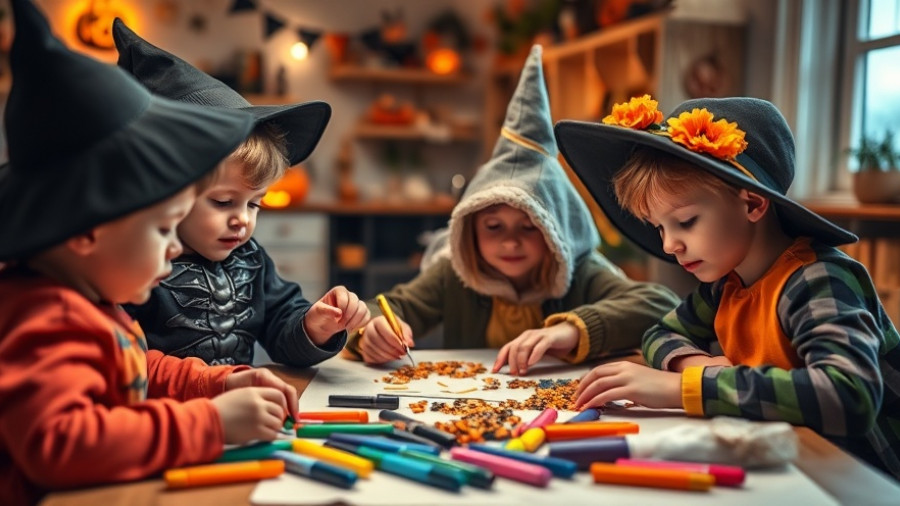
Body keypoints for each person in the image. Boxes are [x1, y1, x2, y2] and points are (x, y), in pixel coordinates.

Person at [0, 2, 300, 504]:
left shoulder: (93, 304)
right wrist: (208, 422)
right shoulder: (45, 321)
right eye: (163, 230)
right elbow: (63, 445)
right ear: (89, 230)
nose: (176, 246)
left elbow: (140, 368)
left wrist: (217, 384)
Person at [555, 95, 900, 479]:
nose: (669, 245)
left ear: (752, 204)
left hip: (860, 478)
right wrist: (695, 363)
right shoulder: (726, 285)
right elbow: (661, 331)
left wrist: (683, 387)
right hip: (786, 463)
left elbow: (848, 395)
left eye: (685, 221)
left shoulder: (818, 279)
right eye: (659, 227)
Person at [343, 46, 680, 375]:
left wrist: (572, 330)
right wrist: (371, 331)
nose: (510, 242)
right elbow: (388, 305)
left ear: (555, 229)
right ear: (469, 230)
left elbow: (660, 305)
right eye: (493, 227)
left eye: (529, 226)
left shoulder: (580, 274)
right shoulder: (455, 275)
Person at [113, 20, 370, 367]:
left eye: (254, 204)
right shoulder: (133, 269)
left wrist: (314, 327)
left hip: (244, 413)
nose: (242, 220)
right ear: (166, 192)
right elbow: (124, 364)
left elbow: (283, 328)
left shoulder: (250, 258)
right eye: (222, 202)